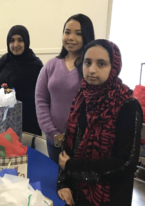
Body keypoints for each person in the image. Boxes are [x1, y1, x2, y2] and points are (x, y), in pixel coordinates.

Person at [56, 39, 141, 206]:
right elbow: (69, 146)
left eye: (101, 64)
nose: (92, 70)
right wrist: (63, 183)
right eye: (87, 62)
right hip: (76, 192)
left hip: (110, 195)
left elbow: (126, 163)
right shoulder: (82, 97)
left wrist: (74, 167)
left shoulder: (128, 105)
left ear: (114, 67)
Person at [35, 13, 95, 162]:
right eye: (67, 32)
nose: (70, 38)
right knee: (56, 181)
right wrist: (53, 133)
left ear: (87, 36)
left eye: (78, 34)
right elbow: (41, 100)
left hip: (82, 143)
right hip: (54, 140)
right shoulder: (51, 65)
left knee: (77, 184)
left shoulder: (91, 68)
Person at [0, 25, 44, 135]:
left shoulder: (35, 65)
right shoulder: (3, 61)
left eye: (20, 40)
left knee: (26, 151)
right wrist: (0, 94)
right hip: (3, 119)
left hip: (27, 120)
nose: (15, 45)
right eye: (12, 40)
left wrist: (13, 94)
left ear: (26, 42)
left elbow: (40, 95)